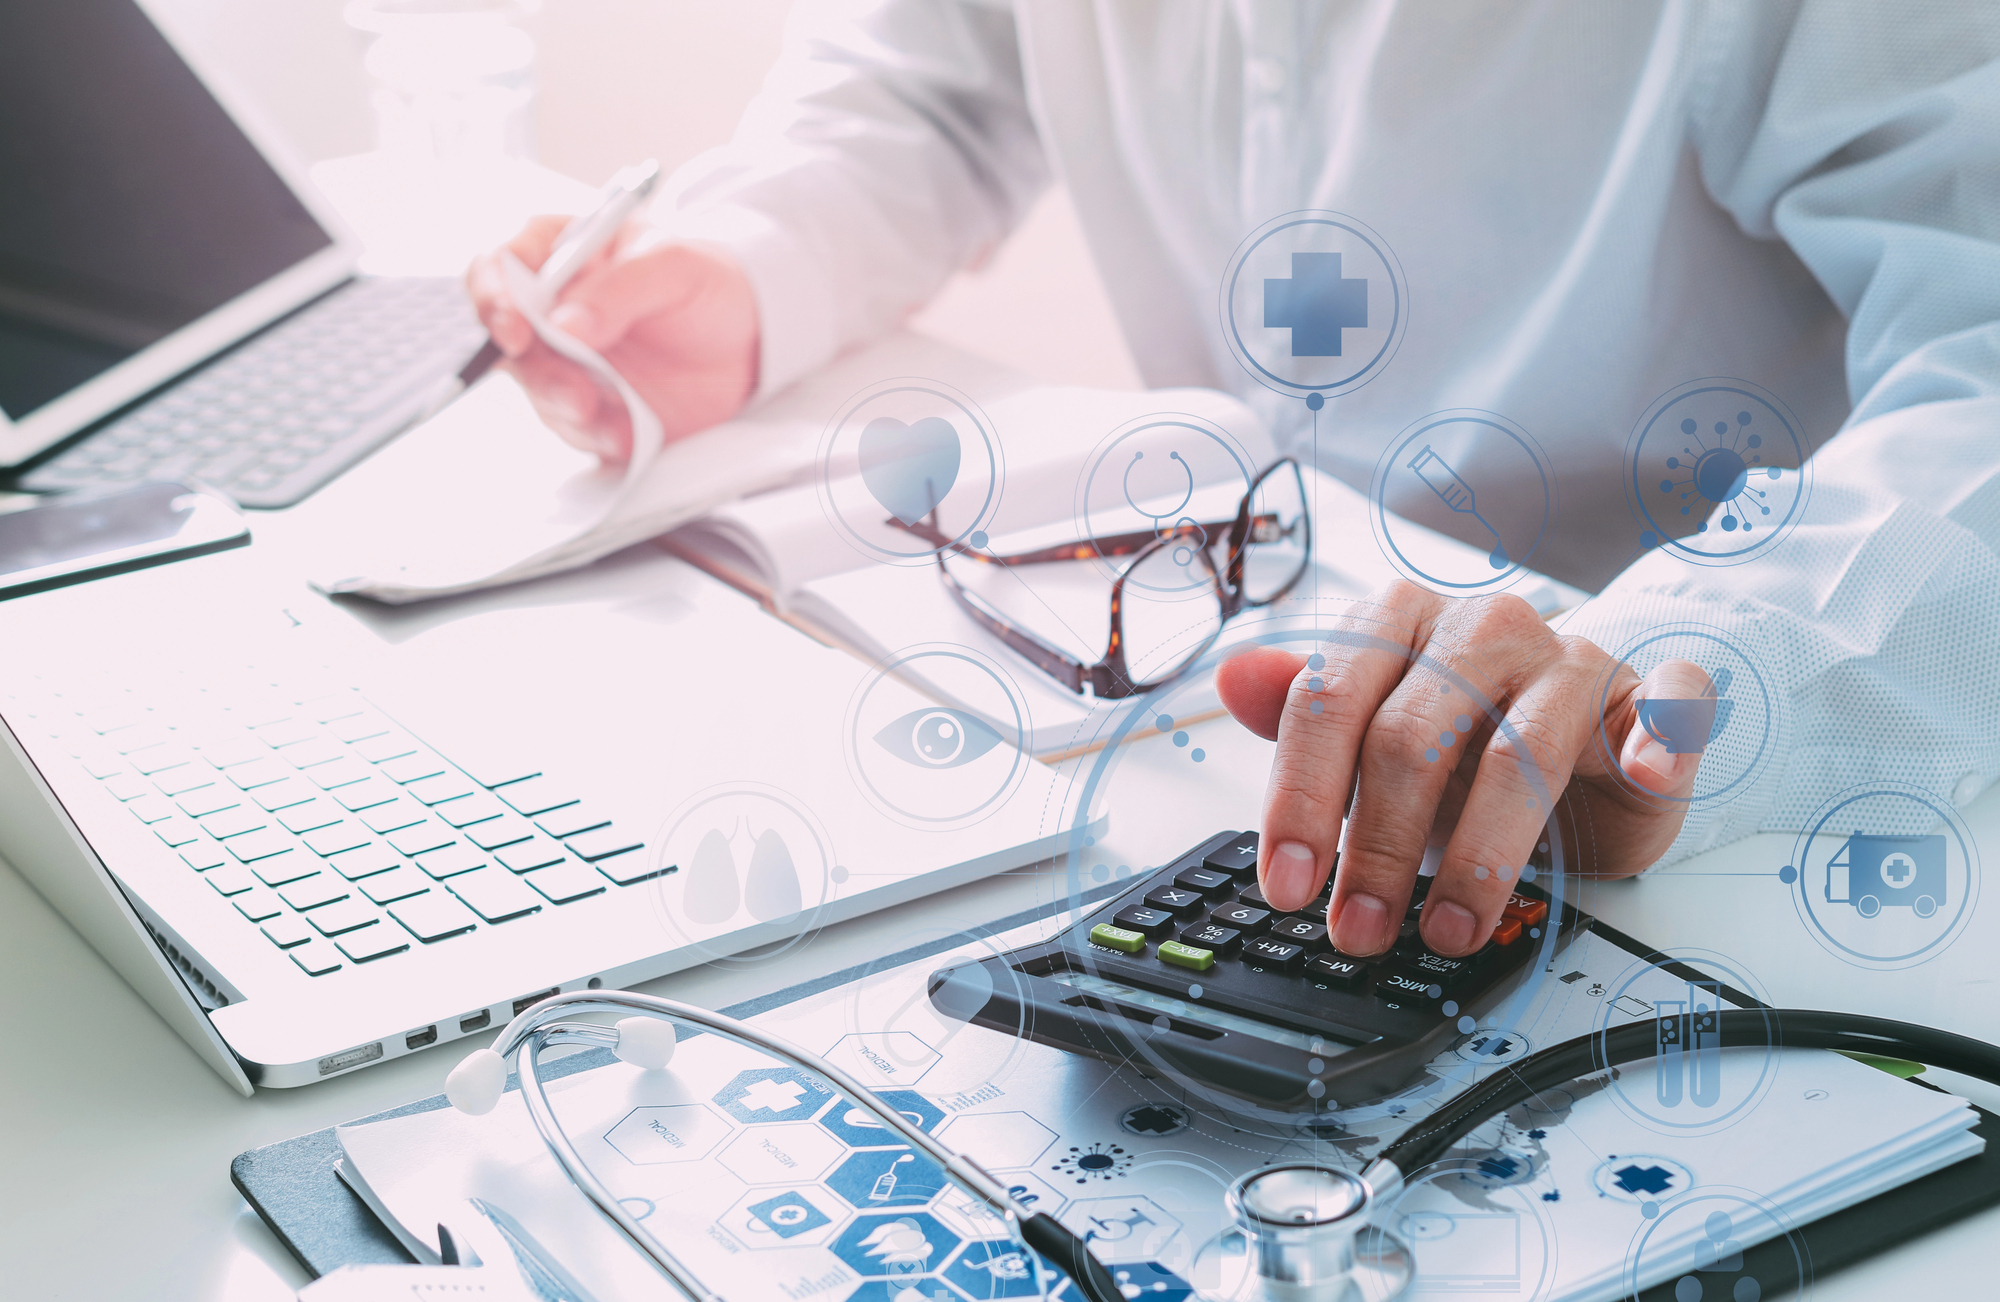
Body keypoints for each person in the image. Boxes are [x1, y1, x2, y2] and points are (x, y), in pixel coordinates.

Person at [469, 3, 2000, 959]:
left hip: (1681, 806)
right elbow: (929, 80)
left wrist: (1693, 669)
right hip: (1208, 700)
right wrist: (750, 267)